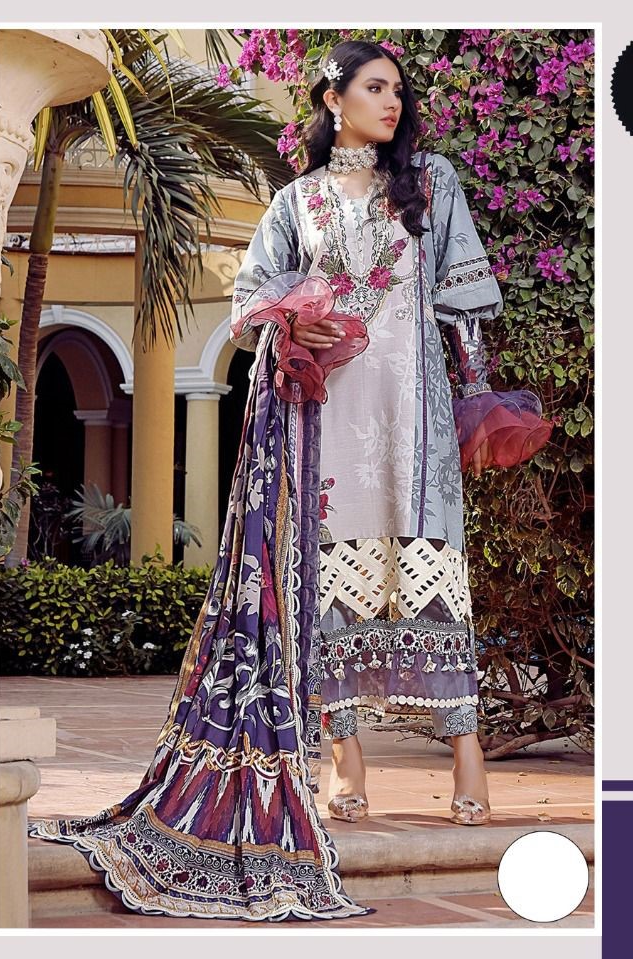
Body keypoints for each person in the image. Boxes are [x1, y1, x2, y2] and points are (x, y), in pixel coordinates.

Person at [27, 39, 552, 922]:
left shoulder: (430, 182)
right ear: (332, 98)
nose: (392, 102)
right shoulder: (294, 201)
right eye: (375, 88)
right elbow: (248, 299)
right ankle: (346, 759)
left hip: (413, 414)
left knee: (431, 573)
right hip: (324, 416)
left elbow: (462, 306)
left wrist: (477, 396)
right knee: (330, 579)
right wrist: (287, 326)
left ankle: (466, 754)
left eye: (397, 90)